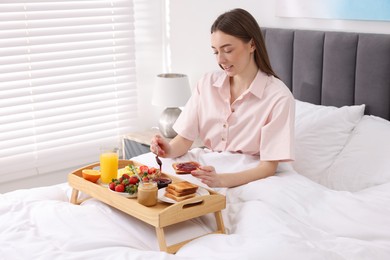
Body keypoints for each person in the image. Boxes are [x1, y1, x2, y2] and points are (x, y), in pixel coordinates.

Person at [151, 8, 295, 188]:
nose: (221, 60)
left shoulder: (278, 97)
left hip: (251, 177)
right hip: (207, 169)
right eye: (215, 52)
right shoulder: (207, 84)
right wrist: (168, 149)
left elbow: (268, 167)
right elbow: (185, 139)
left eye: (227, 50)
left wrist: (222, 180)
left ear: (252, 45)